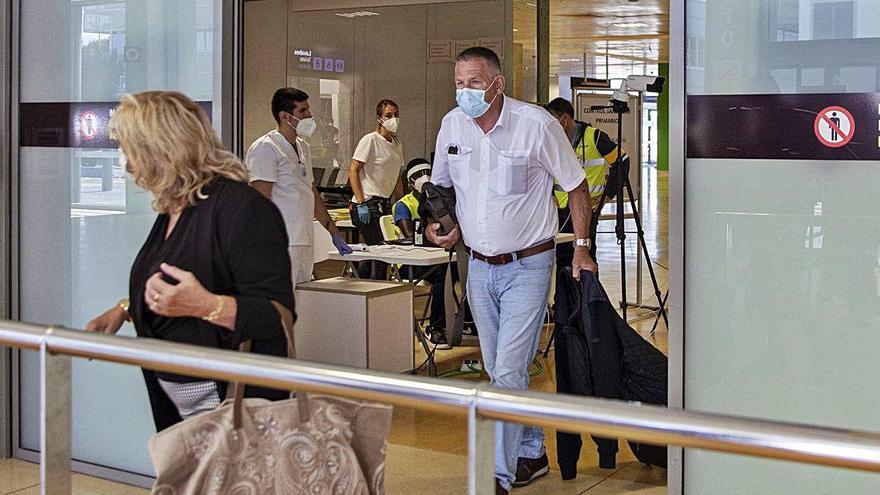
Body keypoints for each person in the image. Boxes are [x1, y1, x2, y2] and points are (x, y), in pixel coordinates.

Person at [426, 47, 598, 494]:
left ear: (498, 84)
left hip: (529, 265)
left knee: (506, 372)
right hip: (479, 268)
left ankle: (496, 477)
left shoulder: (535, 124)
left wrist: (581, 249)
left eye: (475, 83)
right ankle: (531, 451)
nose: (465, 92)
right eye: (460, 83)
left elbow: (577, 186)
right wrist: (440, 225)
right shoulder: (452, 125)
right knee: (505, 371)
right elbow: (442, 186)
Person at [85, 91, 293, 431]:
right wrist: (126, 308)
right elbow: (178, 279)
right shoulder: (177, 206)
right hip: (183, 410)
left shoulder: (242, 209)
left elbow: (275, 318)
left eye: (130, 150)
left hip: (234, 413)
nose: (127, 163)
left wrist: (206, 305)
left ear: (162, 147)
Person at [246, 88, 352, 289]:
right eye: (303, 111)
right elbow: (260, 200)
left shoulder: (303, 147)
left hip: (302, 238)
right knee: (279, 300)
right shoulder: (265, 148)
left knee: (301, 302)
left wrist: (333, 232)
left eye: (308, 110)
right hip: (280, 241)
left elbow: (311, 193)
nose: (310, 116)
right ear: (285, 116)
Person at [545, 96, 630, 267]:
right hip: (560, 210)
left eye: (552, 120)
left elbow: (623, 161)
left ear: (564, 119)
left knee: (585, 256)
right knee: (563, 258)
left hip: (586, 209)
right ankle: (564, 294)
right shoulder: (553, 140)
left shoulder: (594, 137)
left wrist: (608, 195)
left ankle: (588, 293)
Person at [393, 159, 451, 348]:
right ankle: (436, 327)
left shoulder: (436, 201)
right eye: (418, 175)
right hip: (410, 263)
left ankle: (467, 321)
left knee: (463, 269)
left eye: (427, 172)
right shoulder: (404, 205)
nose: (424, 177)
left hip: (436, 256)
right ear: (410, 181)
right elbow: (410, 235)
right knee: (443, 271)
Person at [349, 99, 405, 279]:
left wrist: (400, 201)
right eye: (388, 115)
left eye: (396, 115)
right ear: (380, 118)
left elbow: (396, 175)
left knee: (381, 252)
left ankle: (357, 280)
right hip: (367, 203)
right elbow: (354, 170)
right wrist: (360, 201)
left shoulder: (396, 144)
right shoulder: (370, 140)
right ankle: (371, 287)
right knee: (381, 250)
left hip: (385, 203)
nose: (393, 119)